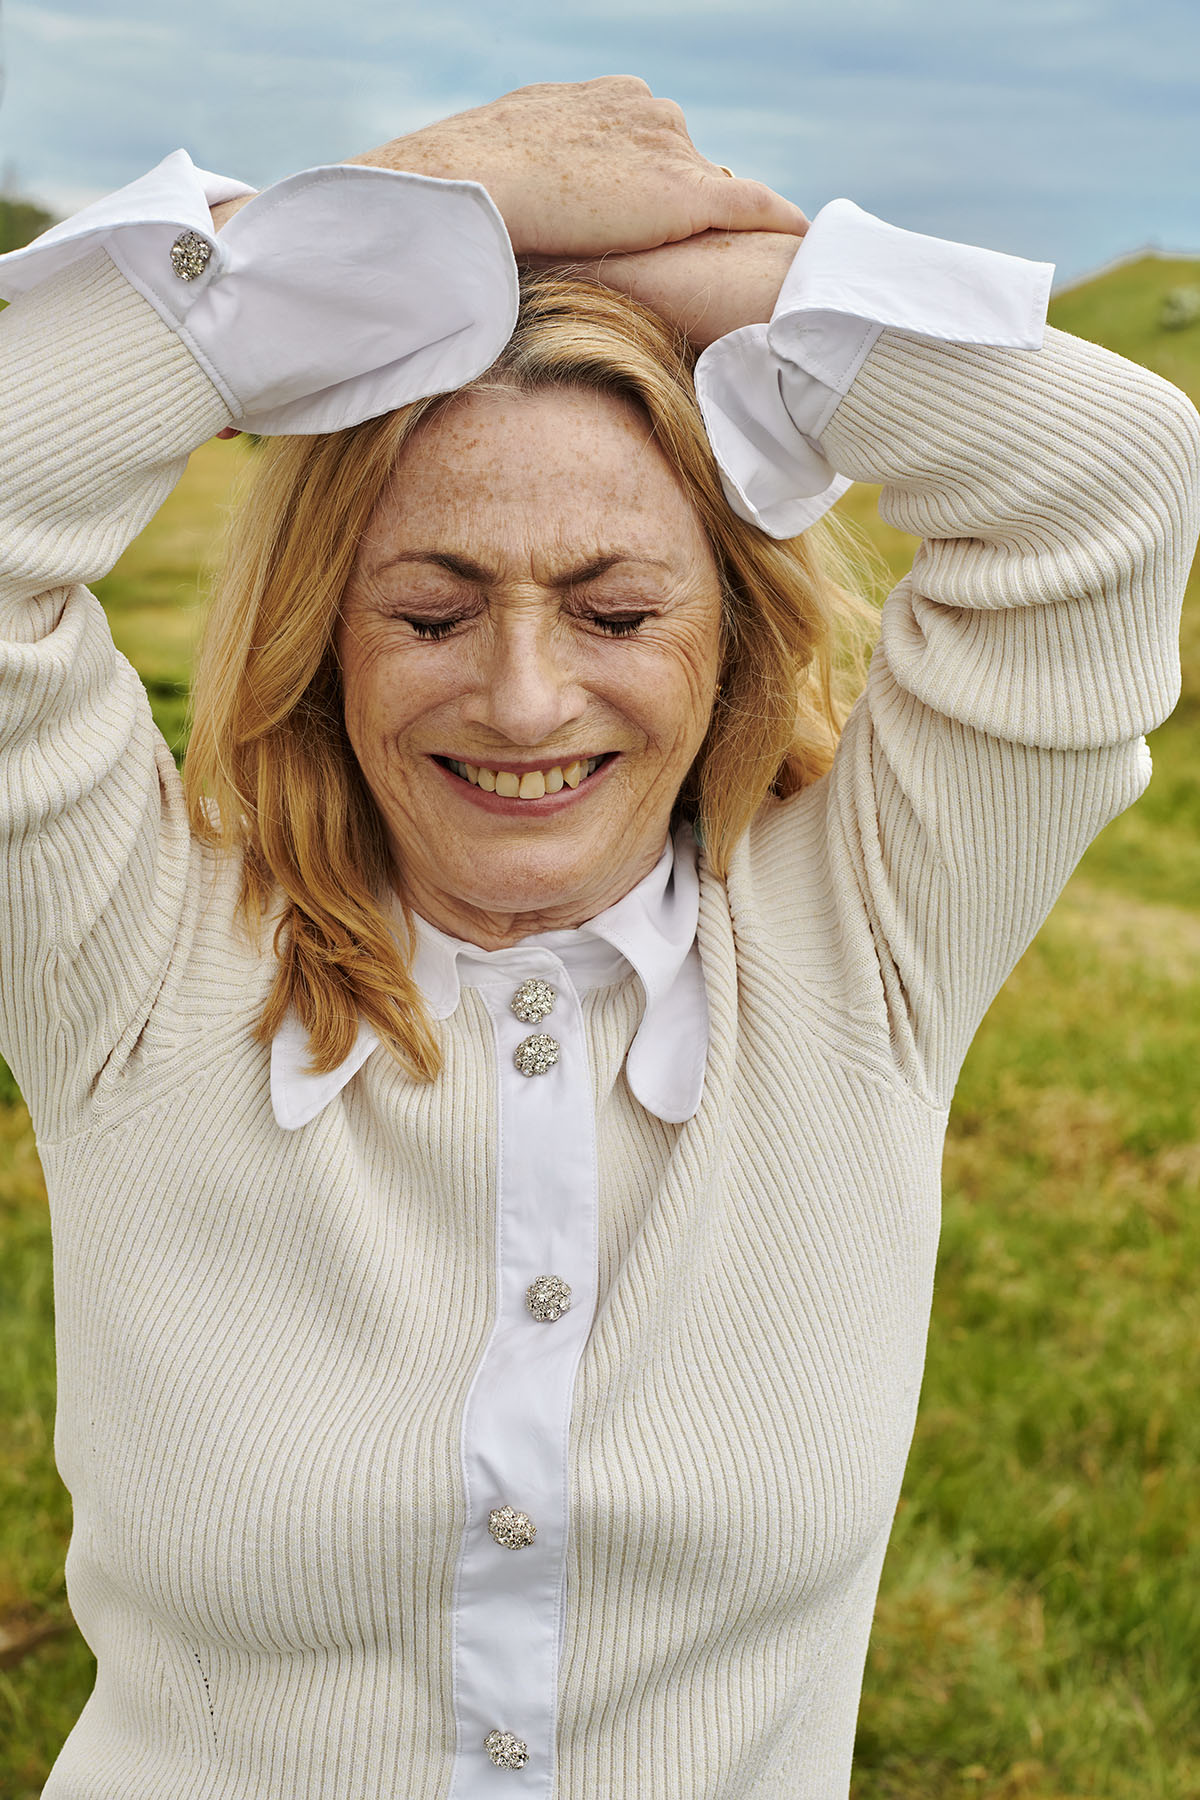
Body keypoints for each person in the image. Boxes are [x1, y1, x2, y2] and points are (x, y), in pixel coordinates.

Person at [0, 76, 1196, 1800]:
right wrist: (414, 206)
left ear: (733, 636)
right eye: (428, 609)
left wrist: (708, 264)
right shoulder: (138, 956)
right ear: (320, 638)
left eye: (618, 608)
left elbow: (1118, 487)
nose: (523, 695)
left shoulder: (863, 940)